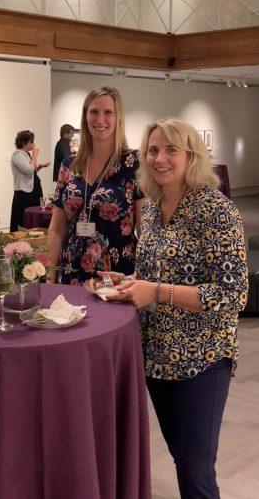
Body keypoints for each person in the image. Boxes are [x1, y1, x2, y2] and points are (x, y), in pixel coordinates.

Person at [105, 118, 248, 499]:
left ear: (191, 156)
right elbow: (152, 272)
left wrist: (156, 292)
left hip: (202, 359)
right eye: (153, 150)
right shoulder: (151, 208)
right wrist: (129, 282)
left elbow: (234, 294)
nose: (160, 158)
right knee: (182, 458)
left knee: (197, 473)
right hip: (156, 357)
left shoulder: (216, 210)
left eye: (171, 150)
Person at [47, 86, 144, 285]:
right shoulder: (69, 165)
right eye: (94, 112)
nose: (100, 120)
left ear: (118, 118)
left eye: (108, 112)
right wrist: (50, 275)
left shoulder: (134, 163)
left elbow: (144, 229)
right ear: (85, 117)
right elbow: (57, 228)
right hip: (70, 270)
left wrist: (142, 278)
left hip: (116, 273)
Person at [9, 130, 50, 232]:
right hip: (24, 193)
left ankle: (35, 235)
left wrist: (40, 166)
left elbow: (32, 170)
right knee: (23, 218)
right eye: (31, 142)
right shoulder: (17, 155)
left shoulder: (26, 154)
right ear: (24, 143)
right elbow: (28, 170)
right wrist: (35, 155)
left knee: (36, 213)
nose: (33, 145)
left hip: (33, 191)